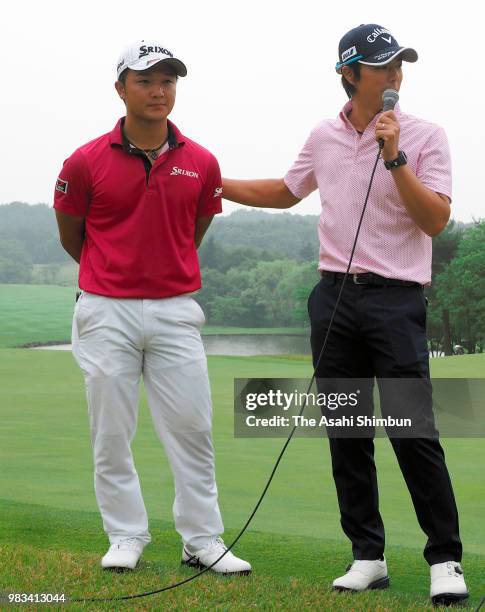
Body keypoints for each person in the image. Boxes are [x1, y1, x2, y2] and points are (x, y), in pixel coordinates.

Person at [222, 24, 468, 606]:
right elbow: (287, 191)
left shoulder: (426, 136)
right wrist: (213, 183)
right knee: (346, 433)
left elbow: (433, 220)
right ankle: (367, 556)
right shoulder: (323, 136)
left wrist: (395, 156)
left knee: (413, 432)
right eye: (383, 68)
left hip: (396, 300)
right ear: (350, 74)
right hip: (334, 298)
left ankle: (446, 559)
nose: (396, 78)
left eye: (400, 67)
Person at [54, 39, 251, 576]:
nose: (158, 91)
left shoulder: (202, 162)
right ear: (120, 89)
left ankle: (202, 540)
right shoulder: (85, 160)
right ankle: (125, 535)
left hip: (175, 310)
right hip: (105, 310)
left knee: (192, 429)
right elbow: (75, 236)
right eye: (144, 81)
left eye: (167, 81)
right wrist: (113, 273)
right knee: (111, 432)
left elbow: (192, 232)